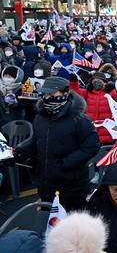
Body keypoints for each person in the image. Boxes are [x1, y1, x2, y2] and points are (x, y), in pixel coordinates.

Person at [14, 77, 100, 210]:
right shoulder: (40, 116)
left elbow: (91, 146)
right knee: (48, 225)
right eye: (45, 94)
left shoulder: (79, 119)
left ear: (65, 93)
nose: (47, 98)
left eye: (52, 94)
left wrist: (65, 163)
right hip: (46, 185)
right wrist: (19, 151)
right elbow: (37, 140)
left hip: (72, 187)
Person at [69, 71, 117, 145]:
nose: (96, 83)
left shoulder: (110, 93)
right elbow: (75, 92)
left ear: (105, 83)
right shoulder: (87, 92)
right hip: (91, 129)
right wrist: (73, 81)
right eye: (94, 81)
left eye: (99, 81)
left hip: (107, 130)